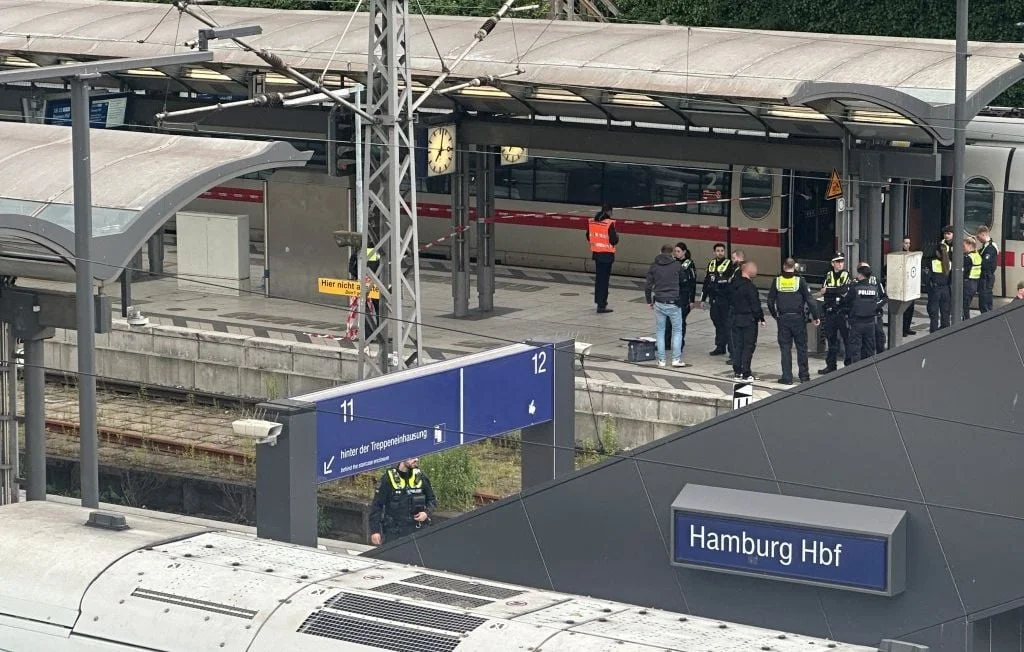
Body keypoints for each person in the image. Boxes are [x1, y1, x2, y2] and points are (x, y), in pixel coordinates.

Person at [767, 258, 819, 385]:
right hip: (798, 319)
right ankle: (804, 376)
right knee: (802, 348)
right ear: (794, 267)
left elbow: (770, 301)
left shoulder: (777, 280)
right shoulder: (800, 281)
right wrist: (816, 316)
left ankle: (787, 377)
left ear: (784, 266)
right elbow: (810, 300)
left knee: (785, 348)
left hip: (783, 319)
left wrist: (775, 315)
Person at [369, 457, 436, 545]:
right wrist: (375, 531)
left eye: (417, 457)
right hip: (394, 531)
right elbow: (377, 506)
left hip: (417, 528)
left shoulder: (421, 477)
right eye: (412, 457)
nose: (416, 459)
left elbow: (432, 500)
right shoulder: (388, 479)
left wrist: (426, 513)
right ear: (402, 457)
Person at [645, 244, 686, 367]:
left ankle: (661, 360)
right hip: (674, 302)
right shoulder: (677, 265)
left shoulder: (654, 266)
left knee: (660, 331)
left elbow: (648, 285)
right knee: (678, 331)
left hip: (659, 302)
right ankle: (676, 359)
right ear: (672, 253)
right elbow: (684, 281)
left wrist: (649, 301)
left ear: (660, 251)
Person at [840, 264, 887, 364]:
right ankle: (869, 370)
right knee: (870, 348)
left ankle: (856, 373)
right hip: (870, 323)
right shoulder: (874, 289)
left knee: (855, 349)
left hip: (857, 322)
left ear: (860, 275)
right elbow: (878, 301)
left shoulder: (854, 288)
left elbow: (846, 301)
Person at [729, 260, 765, 381]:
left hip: (735, 318)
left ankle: (737, 371)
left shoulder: (733, 284)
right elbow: (755, 304)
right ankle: (746, 373)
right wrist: (761, 317)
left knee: (737, 345)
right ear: (748, 270)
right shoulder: (750, 287)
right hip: (748, 320)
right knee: (748, 346)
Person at [817, 252, 851, 375]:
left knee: (847, 340)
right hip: (830, 312)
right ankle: (831, 366)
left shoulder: (846, 274)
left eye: (841, 261)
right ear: (832, 263)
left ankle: (849, 365)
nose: (840, 263)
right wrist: (831, 292)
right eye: (837, 261)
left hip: (842, 312)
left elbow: (843, 290)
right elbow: (822, 292)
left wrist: (829, 290)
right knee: (831, 340)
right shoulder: (828, 275)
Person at [663, 242, 696, 364]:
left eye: (678, 251)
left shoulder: (688, 264)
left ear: (684, 252)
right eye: (675, 251)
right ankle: (666, 343)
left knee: (680, 322)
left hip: (683, 296)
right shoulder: (672, 262)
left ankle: (679, 344)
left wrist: (691, 300)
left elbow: (692, 283)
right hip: (672, 295)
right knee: (667, 320)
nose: (676, 253)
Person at [700, 243, 735, 356]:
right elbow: (706, 282)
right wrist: (703, 299)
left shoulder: (729, 264)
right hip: (713, 299)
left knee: (727, 324)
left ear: (724, 252)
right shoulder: (711, 264)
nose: (720, 252)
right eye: (717, 250)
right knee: (717, 322)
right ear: (714, 252)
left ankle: (732, 350)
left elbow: (731, 282)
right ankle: (720, 346)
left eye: (721, 250)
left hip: (725, 299)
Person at [586, 205, 618, 314]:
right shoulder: (609, 223)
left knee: (599, 280)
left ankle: (598, 301)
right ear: (609, 212)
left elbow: (588, 236)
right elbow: (614, 240)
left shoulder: (592, 221)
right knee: (604, 281)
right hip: (607, 256)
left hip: (597, 254)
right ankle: (602, 305)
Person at [927, 225, 953, 332]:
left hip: (936, 289)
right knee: (945, 310)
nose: (946, 236)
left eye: (948, 233)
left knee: (933, 311)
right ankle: (945, 328)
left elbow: (927, 277)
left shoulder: (932, 262)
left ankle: (933, 330)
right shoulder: (950, 264)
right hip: (946, 288)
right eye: (945, 233)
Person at [976, 225, 999, 313]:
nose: (978, 239)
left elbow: (984, 263)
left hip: (986, 277)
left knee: (984, 300)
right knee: (985, 298)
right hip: (986, 277)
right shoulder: (986, 246)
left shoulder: (990, 248)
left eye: (978, 237)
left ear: (983, 234)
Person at [963, 235, 982, 320]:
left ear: (970, 246)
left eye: (964, 246)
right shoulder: (977, 255)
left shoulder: (968, 258)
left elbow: (964, 271)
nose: (963, 248)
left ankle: (965, 321)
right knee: (967, 304)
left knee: (964, 305)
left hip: (968, 282)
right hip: (975, 283)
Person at [901, 236, 916, 336]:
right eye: (906, 243)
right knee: (903, 309)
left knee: (910, 309)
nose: (908, 245)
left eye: (909, 243)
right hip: (902, 285)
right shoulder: (899, 254)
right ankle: (903, 329)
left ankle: (907, 328)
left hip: (910, 285)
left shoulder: (911, 255)